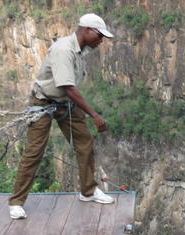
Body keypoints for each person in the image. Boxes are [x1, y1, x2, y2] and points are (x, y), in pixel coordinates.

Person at [8, 13, 115, 219]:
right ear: (86, 30)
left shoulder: (80, 50)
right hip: (44, 102)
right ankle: (16, 202)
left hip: (66, 104)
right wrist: (94, 115)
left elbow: (69, 91)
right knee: (34, 152)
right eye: (99, 35)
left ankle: (88, 191)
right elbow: (67, 87)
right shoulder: (63, 49)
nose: (101, 40)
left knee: (84, 143)